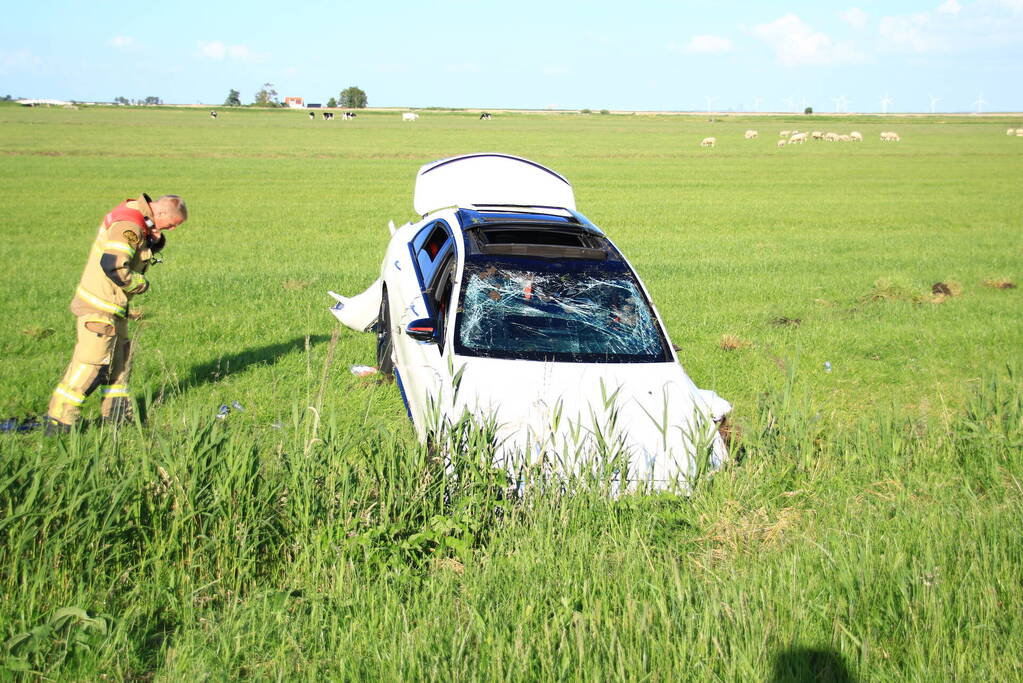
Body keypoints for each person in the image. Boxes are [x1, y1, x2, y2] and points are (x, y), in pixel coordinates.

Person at [45, 193, 188, 432]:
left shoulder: (142, 220)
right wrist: (139, 284)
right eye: (172, 224)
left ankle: (118, 417)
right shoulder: (129, 224)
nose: (172, 229)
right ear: (161, 213)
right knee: (92, 365)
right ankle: (60, 420)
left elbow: (137, 251)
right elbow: (113, 265)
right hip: (99, 307)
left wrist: (153, 240)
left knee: (119, 365)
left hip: (115, 308)